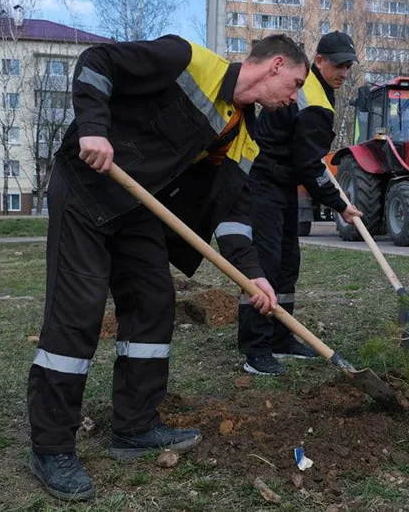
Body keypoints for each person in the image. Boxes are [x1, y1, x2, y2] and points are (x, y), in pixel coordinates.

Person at [26, 34, 309, 501]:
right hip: (85, 187)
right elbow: (98, 60)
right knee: (78, 311)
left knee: (154, 301)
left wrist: (252, 274)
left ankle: (134, 426)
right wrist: (93, 127)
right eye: (296, 84)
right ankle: (51, 446)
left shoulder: (245, 137)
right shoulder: (188, 60)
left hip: (137, 205)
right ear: (276, 65)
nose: (294, 97)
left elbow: (233, 213)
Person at [237, 31, 363, 375]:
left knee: (288, 261)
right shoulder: (313, 99)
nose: (344, 72)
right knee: (265, 264)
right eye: (338, 65)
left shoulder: (320, 93)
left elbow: (306, 159)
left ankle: (281, 336)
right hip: (262, 180)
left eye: (348, 66)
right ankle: (256, 349)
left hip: (283, 182)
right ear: (319, 60)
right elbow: (310, 165)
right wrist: (340, 205)